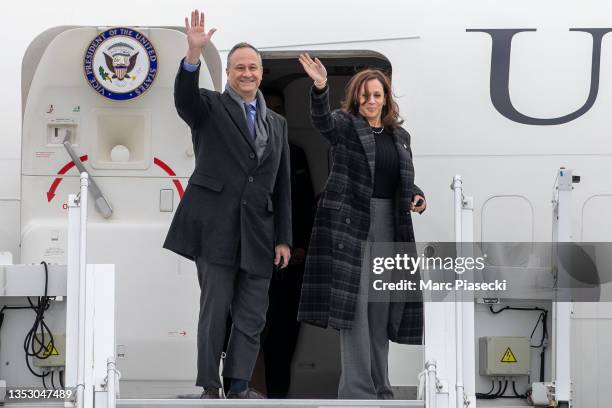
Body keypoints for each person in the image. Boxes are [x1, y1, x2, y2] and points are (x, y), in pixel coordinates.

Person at [163, 10, 292, 399]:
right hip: (215, 227)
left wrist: (283, 238)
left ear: (261, 73)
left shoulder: (279, 124)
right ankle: (210, 384)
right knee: (214, 309)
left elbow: (281, 185)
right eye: (239, 67)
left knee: (253, 314)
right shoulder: (209, 107)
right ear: (230, 73)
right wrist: (192, 55)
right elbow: (183, 99)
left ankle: (238, 384)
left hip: (258, 231)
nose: (247, 73)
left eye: (253, 67)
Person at [297, 53, 426, 400]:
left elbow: (401, 180)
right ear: (356, 97)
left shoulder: (400, 137)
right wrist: (321, 86)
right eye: (365, 95)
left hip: (391, 224)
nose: (371, 101)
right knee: (354, 310)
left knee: (380, 311)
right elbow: (321, 121)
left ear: (386, 98)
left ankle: (381, 388)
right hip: (352, 227)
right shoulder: (344, 124)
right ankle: (357, 392)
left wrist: (416, 196)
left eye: (377, 95)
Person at [261, 92, 317, 398]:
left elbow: (306, 204)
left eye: (278, 109)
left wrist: (303, 247)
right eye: (267, 108)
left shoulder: (296, 154)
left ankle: (279, 400)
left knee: (285, 339)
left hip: (291, 261)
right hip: (255, 262)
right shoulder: (245, 150)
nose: (272, 114)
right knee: (249, 333)